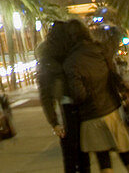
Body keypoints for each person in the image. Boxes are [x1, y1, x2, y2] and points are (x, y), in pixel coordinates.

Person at [63, 18, 129, 171]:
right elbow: (114, 76)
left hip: (90, 116)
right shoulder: (100, 50)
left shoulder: (70, 62)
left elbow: (79, 94)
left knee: (103, 158)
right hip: (111, 109)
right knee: (125, 151)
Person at [38, 21, 90, 172]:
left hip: (64, 110)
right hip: (82, 106)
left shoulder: (47, 59)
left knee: (69, 156)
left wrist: (54, 122)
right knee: (84, 153)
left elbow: (45, 94)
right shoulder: (74, 52)